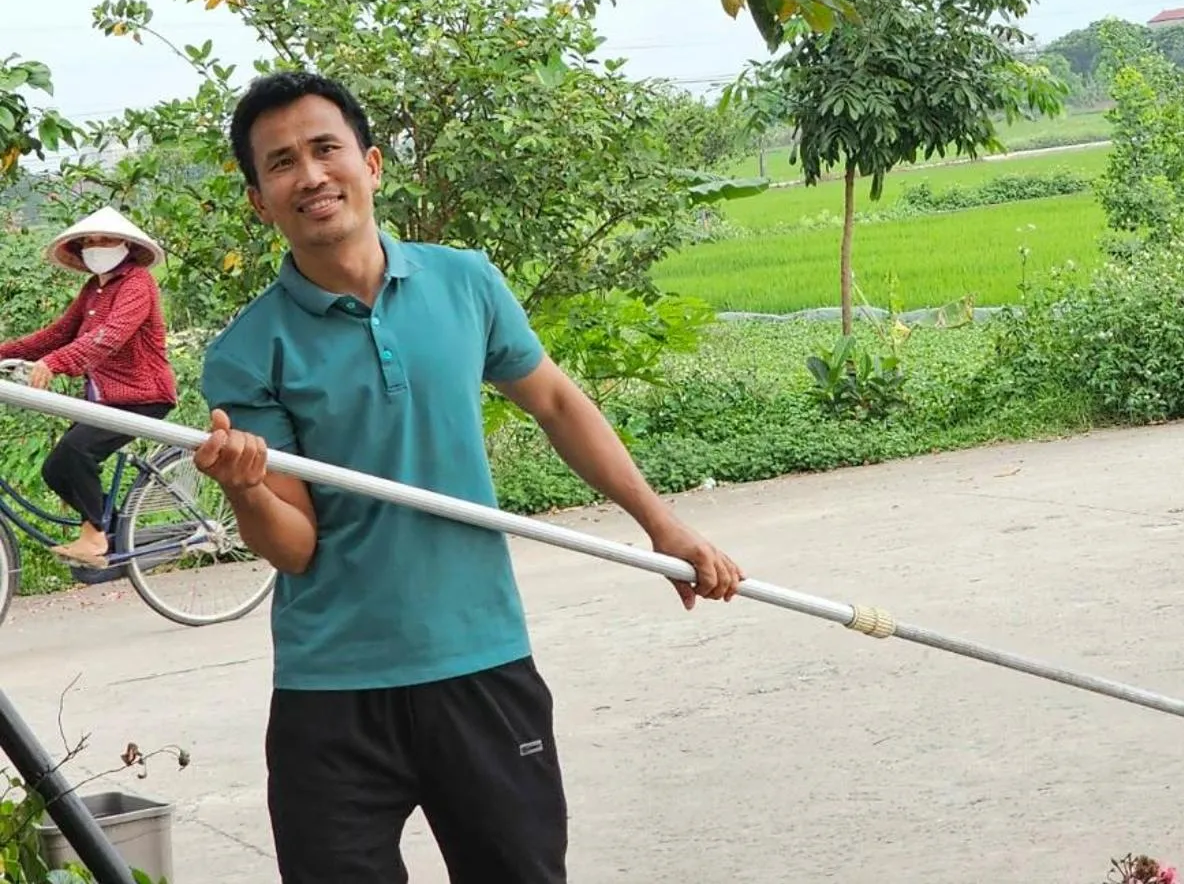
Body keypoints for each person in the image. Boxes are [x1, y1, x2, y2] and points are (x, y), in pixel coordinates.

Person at [196, 70, 743, 884]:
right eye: (281, 164)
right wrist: (245, 486)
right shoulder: (248, 351)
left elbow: (555, 401)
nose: (309, 176)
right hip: (332, 691)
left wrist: (663, 524)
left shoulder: (466, 282)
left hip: (480, 664)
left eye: (325, 149)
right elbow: (297, 548)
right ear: (259, 200)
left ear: (371, 164)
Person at [0, 205, 177, 565]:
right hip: (106, 399)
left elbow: (109, 337)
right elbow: (58, 334)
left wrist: (55, 363)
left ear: (127, 246)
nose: (97, 246)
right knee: (55, 467)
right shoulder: (92, 290)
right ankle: (102, 537)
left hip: (143, 396)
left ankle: (95, 539)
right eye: (90, 241)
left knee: (75, 453)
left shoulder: (137, 283)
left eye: (106, 239)